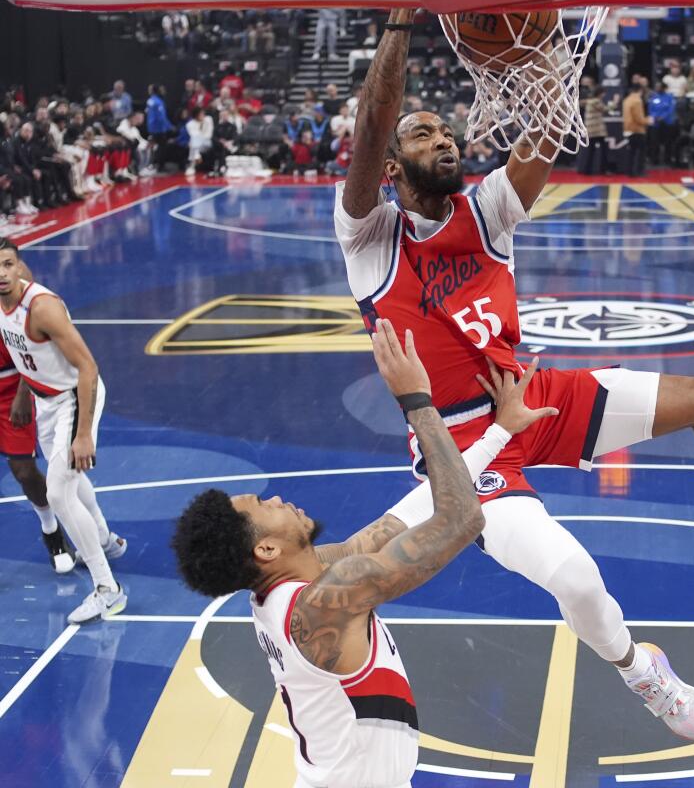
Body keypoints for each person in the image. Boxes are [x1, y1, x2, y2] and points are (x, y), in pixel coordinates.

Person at [333, 8, 694, 742]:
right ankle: (641, 670)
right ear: (394, 169)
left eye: (445, 129)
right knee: (573, 577)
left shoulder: (488, 211)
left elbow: (547, 127)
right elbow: (373, 123)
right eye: (422, 132)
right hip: (465, 449)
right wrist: (404, 25)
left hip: (534, 397)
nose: (441, 137)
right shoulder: (369, 238)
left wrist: (537, 53)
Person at [172, 320, 551, 788]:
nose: (274, 498)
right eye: (261, 506)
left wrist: (497, 435)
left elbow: (399, 520)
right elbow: (462, 521)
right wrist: (419, 403)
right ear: (266, 548)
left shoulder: (300, 585)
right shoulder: (324, 601)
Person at [0, 241, 126, 623]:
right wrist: (26, 391)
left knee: (57, 490)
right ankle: (105, 538)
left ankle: (109, 589)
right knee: (68, 478)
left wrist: (83, 433)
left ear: (19, 266)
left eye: (7, 264)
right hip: (45, 400)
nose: (1, 274)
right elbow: (27, 357)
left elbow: (88, 367)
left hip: (74, 396)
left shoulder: (42, 309)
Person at [0, 248, 72, 574]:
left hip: (13, 385)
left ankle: (51, 530)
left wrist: (23, 391)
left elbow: (34, 344)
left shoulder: (13, 274)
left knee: (25, 472)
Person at [622, 79, 650, 177]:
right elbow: (639, 118)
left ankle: (629, 171)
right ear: (640, 90)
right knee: (640, 153)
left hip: (628, 129)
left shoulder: (627, 100)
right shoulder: (637, 101)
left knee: (631, 152)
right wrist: (648, 120)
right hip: (637, 130)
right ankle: (639, 171)